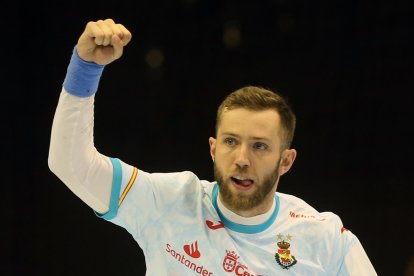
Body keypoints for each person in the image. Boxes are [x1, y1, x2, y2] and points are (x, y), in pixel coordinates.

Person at [48, 18, 377, 275]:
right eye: (231, 142)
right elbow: (71, 164)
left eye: (260, 146)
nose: (242, 159)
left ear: (285, 161)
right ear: (213, 148)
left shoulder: (326, 239)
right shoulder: (170, 202)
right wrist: (86, 67)